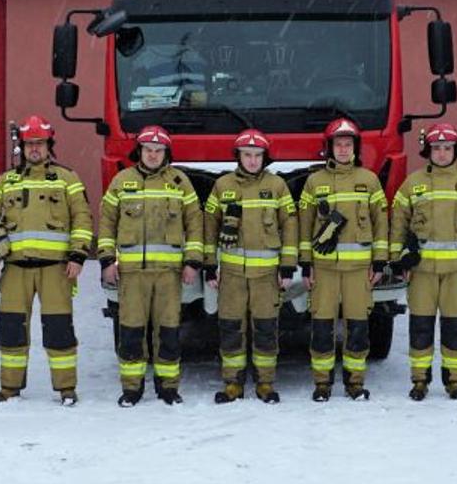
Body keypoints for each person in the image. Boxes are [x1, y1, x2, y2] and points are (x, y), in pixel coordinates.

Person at [0, 115, 93, 407]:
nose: (34, 149)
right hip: (15, 269)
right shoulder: (6, 181)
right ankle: (9, 387)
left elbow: (82, 218)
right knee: (11, 327)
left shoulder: (67, 179)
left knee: (59, 329)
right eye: (29, 144)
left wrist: (78, 254)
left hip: (55, 269)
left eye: (40, 144)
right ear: (22, 146)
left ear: (49, 146)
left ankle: (66, 388)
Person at [96, 125, 204, 406]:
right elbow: (107, 222)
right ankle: (131, 389)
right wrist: (107, 260)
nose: (153, 155)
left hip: (169, 274)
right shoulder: (121, 181)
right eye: (148, 150)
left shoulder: (180, 182)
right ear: (139, 152)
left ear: (166, 153)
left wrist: (193, 262)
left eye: (158, 151)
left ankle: (168, 387)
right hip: (131, 274)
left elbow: (195, 224)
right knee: (131, 331)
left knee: (168, 331)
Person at [389, 123, 457, 401]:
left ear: (455, 150)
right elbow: (398, 222)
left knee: (455, 328)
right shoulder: (413, 184)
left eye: (447, 148)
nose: (441, 154)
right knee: (421, 327)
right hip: (421, 272)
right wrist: (397, 258)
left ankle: (454, 381)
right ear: (429, 151)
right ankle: (420, 381)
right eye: (436, 149)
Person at [202, 129, 299, 404]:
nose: (253, 161)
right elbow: (209, 228)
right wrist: (210, 266)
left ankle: (265, 383)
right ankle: (232, 383)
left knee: (266, 329)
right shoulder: (222, 186)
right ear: (238, 157)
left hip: (267, 275)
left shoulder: (278, 186)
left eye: (258, 156)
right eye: (248, 155)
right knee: (231, 328)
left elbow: (290, 227)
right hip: (231, 275)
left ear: (265, 158)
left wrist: (288, 267)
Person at [298, 118, 390, 401]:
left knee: (358, 328)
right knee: (322, 327)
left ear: (355, 148)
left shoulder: (370, 180)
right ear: (329, 148)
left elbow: (381, 224)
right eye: (338, 144)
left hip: (359, 270)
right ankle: (322, 384)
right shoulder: (314, 182)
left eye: (348, 144)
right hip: (323, 270)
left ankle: (355, 382)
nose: (342, 149)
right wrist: (305, 263)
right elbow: (304, 225)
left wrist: (379, 262)